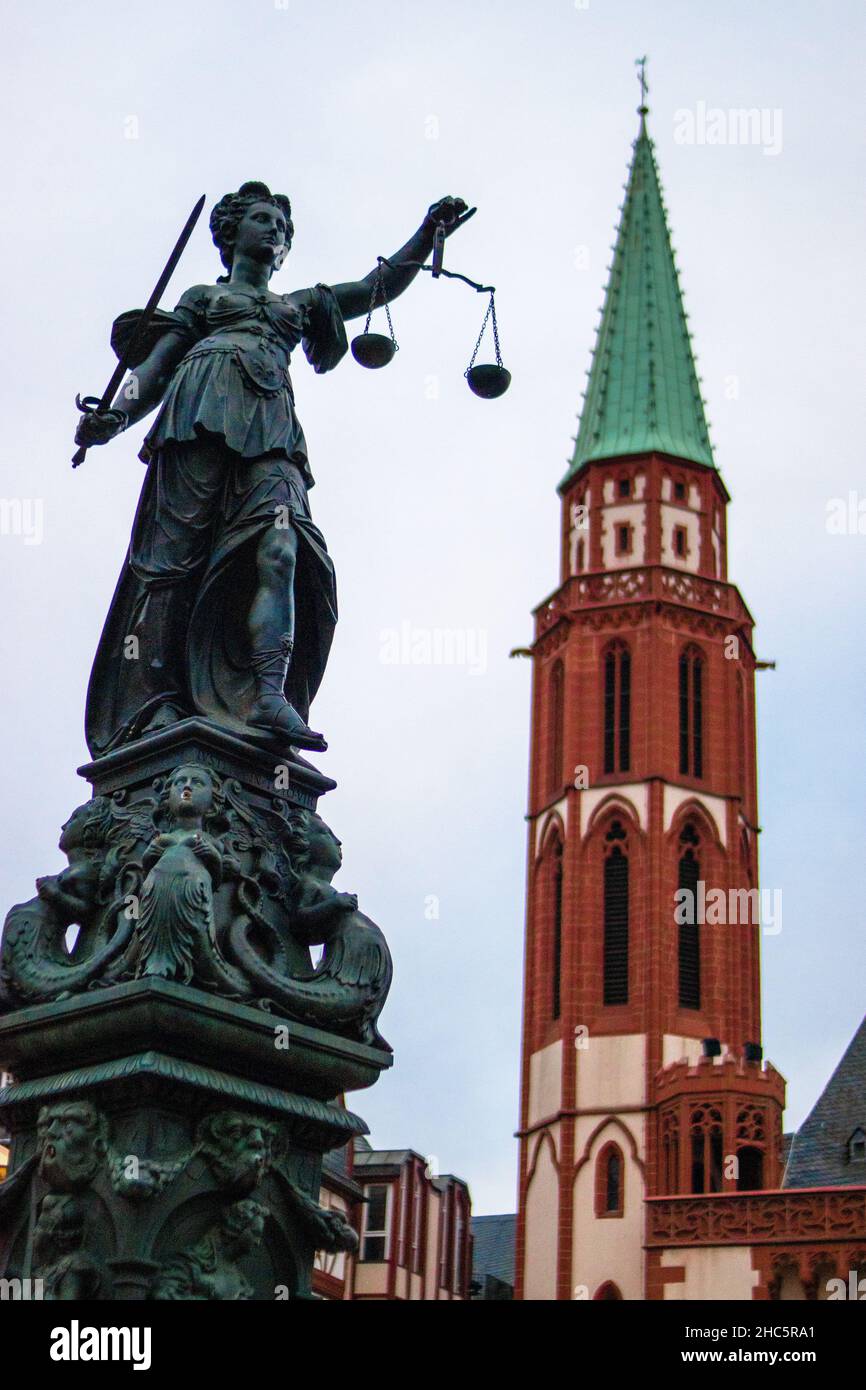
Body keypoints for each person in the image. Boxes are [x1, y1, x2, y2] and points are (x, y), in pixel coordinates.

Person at [76, 182, 473, 753]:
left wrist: (426, 234)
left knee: (284, 546)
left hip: (272, 428)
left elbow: (373, 287)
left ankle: (268, 694)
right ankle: (152, 703)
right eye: (264, 220)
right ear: (232, 233)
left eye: (283, 228)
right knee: (172, 565)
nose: (276, 232)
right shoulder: (202, 299)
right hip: (199, 412)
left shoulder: (299, 306)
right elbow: (156, 367)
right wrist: (114, 416)